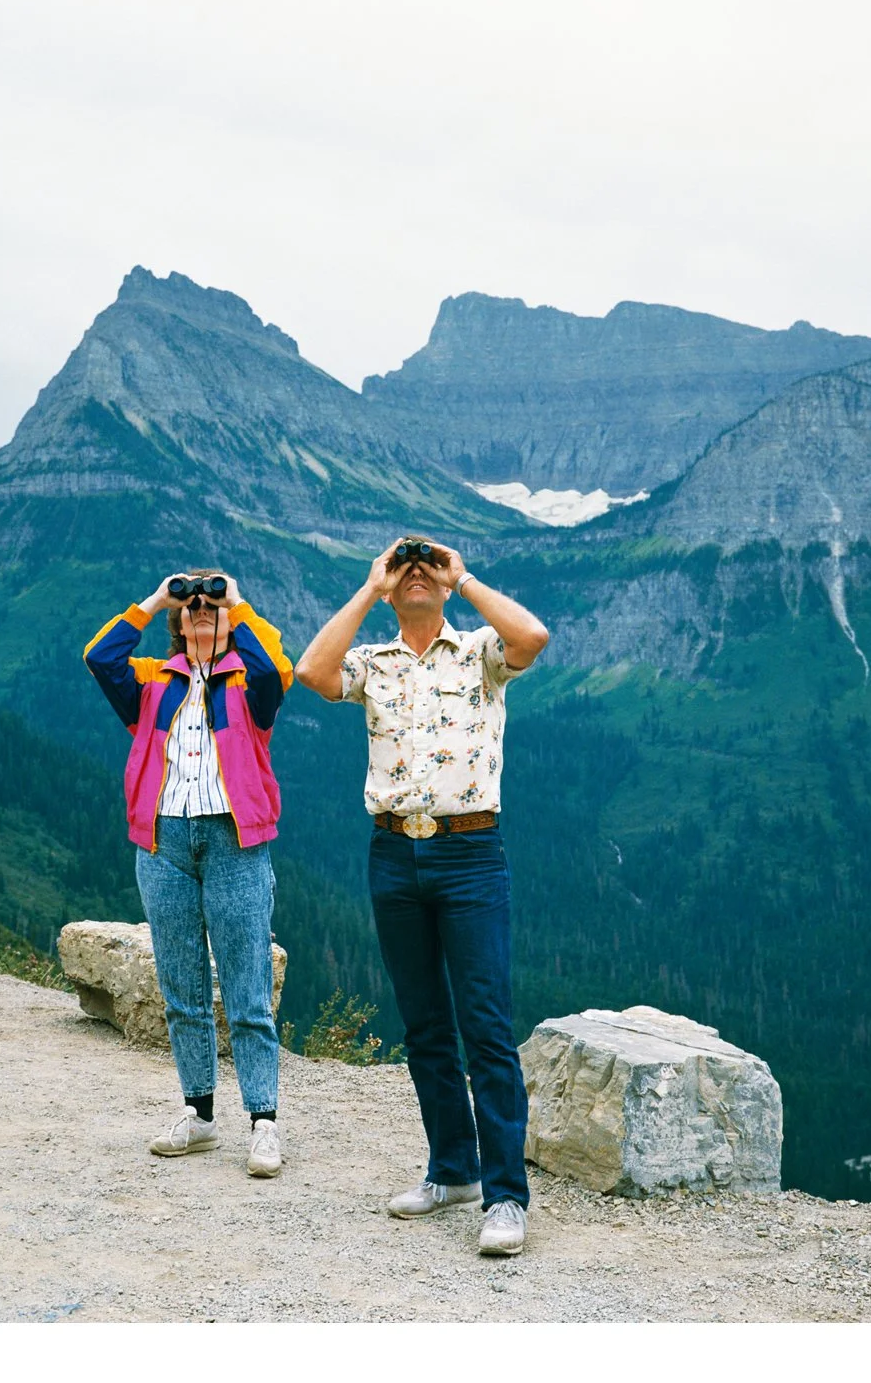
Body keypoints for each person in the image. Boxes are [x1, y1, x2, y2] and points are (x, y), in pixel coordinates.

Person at [295, 537, 549, 1256]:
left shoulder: (479, 654)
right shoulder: (373, 662)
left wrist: (461, 574)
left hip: (470, 851)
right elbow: (312, 669)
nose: (415, 574)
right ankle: (453, 1170)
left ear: (441, 583)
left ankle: (505, 1196)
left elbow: (533, 636)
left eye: (424, 569)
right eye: (406, 568)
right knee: (426, 1025)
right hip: (393, 849)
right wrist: (371, 585)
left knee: (487, 1026)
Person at [83, 569, 294, 1177]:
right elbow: (101, 657)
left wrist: (236, 603)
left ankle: (264, 1123)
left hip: (234, 838)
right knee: (182, 988)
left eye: (211, 605)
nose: (201, 609)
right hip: (164, 841)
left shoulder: (251, 683)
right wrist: (155, 599)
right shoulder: (154, 682)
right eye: (191, 605)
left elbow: (275, 666)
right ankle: (199, 1114)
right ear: (175, 622)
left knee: (247, 988)